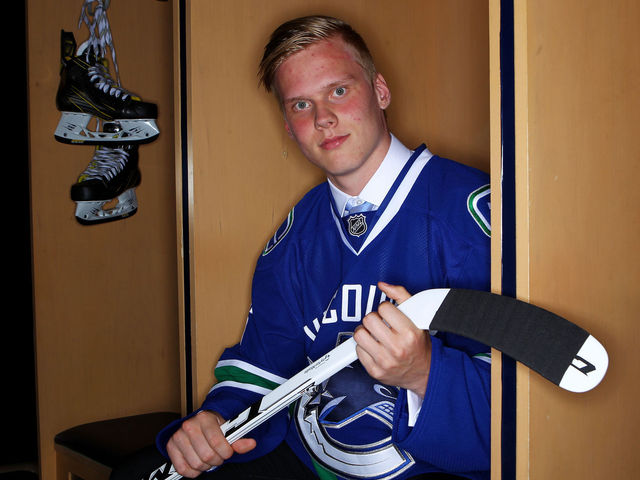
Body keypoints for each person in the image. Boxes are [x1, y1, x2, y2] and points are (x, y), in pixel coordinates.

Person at [113, 14, 491, 480]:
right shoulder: (293, 239)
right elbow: (263, 366)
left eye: (339, 90)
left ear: (380, 91)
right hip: (310, 462)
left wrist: (424, 373)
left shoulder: (471, 214)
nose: (322, 118)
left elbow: (522, 411)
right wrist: (214, 418)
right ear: (289, 127)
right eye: (300, 105)